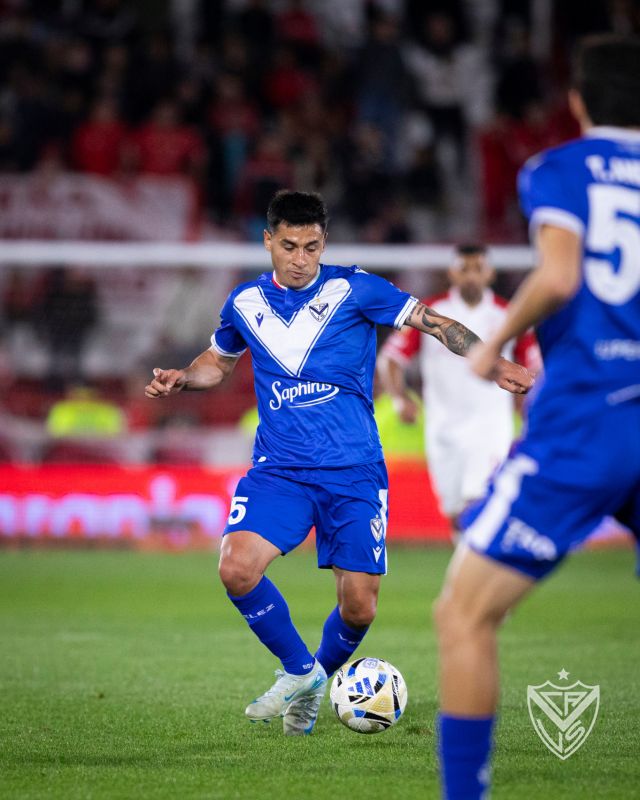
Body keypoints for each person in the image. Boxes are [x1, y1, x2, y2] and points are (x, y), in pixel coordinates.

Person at [145, 190, 532, 737]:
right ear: (268, 241)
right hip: (280, 468)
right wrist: (184, 377)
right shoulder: (245, 303)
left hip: (354, 469)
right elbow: (219, 361)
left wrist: (493, 365)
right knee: (235, 568)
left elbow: (434, 322)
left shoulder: (356, 288)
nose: (300, 258)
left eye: (311, 247)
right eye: (289, 246)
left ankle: (313, 683)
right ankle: (300, 672)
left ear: (324, 243)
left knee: (359, 608)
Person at [434, 35, 640, 799]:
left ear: (578, 101)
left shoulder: (558, 169)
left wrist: (492, 344)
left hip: (591, 419)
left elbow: (558, 276)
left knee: (462, 616)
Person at [378, 244, 540, 533]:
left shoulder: (510, 315)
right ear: (452, 274)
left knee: (477, 504)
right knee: (455, 513)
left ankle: (480, 561)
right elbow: (390, 358)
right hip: (442, 427)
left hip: (490, 426)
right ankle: (469, 559)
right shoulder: (431, 313)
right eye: (464, 269)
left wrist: (530, 404)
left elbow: (532, 367)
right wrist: (400, 397)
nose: (471, 276)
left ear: (490, 273)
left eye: (478, 268)